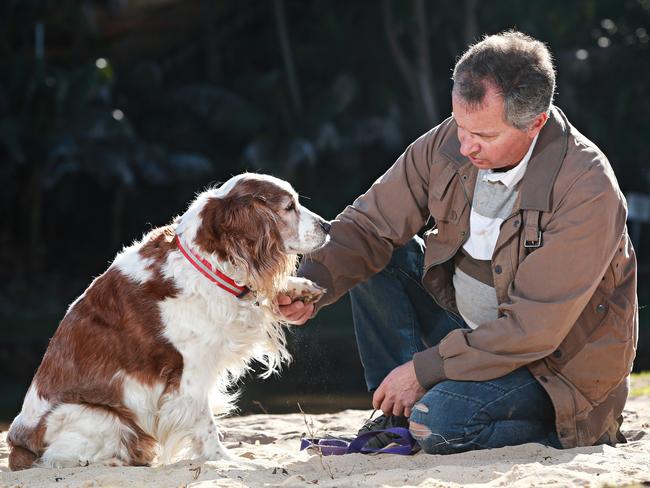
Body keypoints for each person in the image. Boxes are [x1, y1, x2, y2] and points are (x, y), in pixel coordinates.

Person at [278, 30, 637, 454]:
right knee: (383, 254)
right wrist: (310, 284)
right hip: (466, 334)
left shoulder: (587, 185)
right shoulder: (449, 140)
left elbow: (532, 330)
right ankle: (396, 416)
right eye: (459, 125)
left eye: (482, 136)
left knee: (440, 425)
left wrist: (424, 369)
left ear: (535, 122)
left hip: (550, 367)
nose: (464, 145)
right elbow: (368, 225)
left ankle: (554, 430)